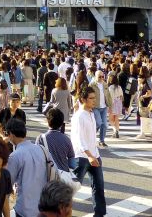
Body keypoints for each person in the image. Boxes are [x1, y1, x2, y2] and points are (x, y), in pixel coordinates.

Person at [6, 118, 54, 217]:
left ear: (11, 134)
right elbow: (55, 173)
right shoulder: (42, 150)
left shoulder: (15, 156)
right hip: (45, 207)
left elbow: (6, 184)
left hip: (25, 209)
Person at [71, 86, 106, 217]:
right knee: (72, 188)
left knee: (99, 187)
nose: (94, 101)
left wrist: (95, 153)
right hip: (82, 157)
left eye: (94, 98)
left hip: (94, 155)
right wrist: (90, 155)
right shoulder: (79, 116)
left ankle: (99, 214)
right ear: (83, 99)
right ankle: (61, 211)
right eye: (91, 98)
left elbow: (91, 137)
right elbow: (79, 139)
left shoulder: (91, 113)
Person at [37, 108, 76, 174]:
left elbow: (37, 158)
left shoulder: (41, 138)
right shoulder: (67, 139)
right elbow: (72, 163)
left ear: (47, 121)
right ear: (61, 124)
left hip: (47, 175)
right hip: (63, 175)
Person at [88, 71, 111, 147]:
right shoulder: (92, 84)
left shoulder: (105, 84)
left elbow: (108, 95)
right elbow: (88, 95)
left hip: (104, 107)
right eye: (99, 77)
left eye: (102, 77)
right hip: (95, 107)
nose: (101, 78)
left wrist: (110, 105)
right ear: (95, 76)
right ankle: (90, 136)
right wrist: (88, 106)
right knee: (98, 123)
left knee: (104, 125)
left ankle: (101, 140)